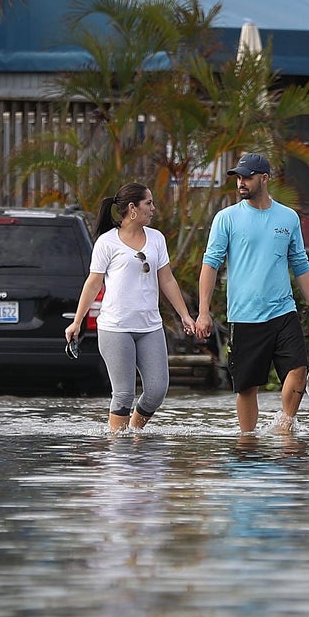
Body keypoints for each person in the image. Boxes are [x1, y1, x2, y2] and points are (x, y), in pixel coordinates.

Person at [194, 153, 309, 434]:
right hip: (245, 316)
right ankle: (248, 443)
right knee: (247, 388)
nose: (241, 183)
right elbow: (210, 264)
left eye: (247, 177)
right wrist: (202, 312)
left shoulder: (288, 217)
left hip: (283, 312)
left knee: (298, 371)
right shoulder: (227, 219)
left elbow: (301, 265)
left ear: (264, 178)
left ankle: (284, 427)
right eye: (238, 178)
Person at [67, 182, 197, 434]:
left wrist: (185, 315)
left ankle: (134, 435)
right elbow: (93, 284)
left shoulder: (157, 238)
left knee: (157, 390)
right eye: (148, 203)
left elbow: (167, 279)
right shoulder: (107, 243)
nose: (153, 208)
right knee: (124, 395)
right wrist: (77, 321)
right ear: (132, 208)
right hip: (116, 328)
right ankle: (118, 453)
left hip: (150, 327)